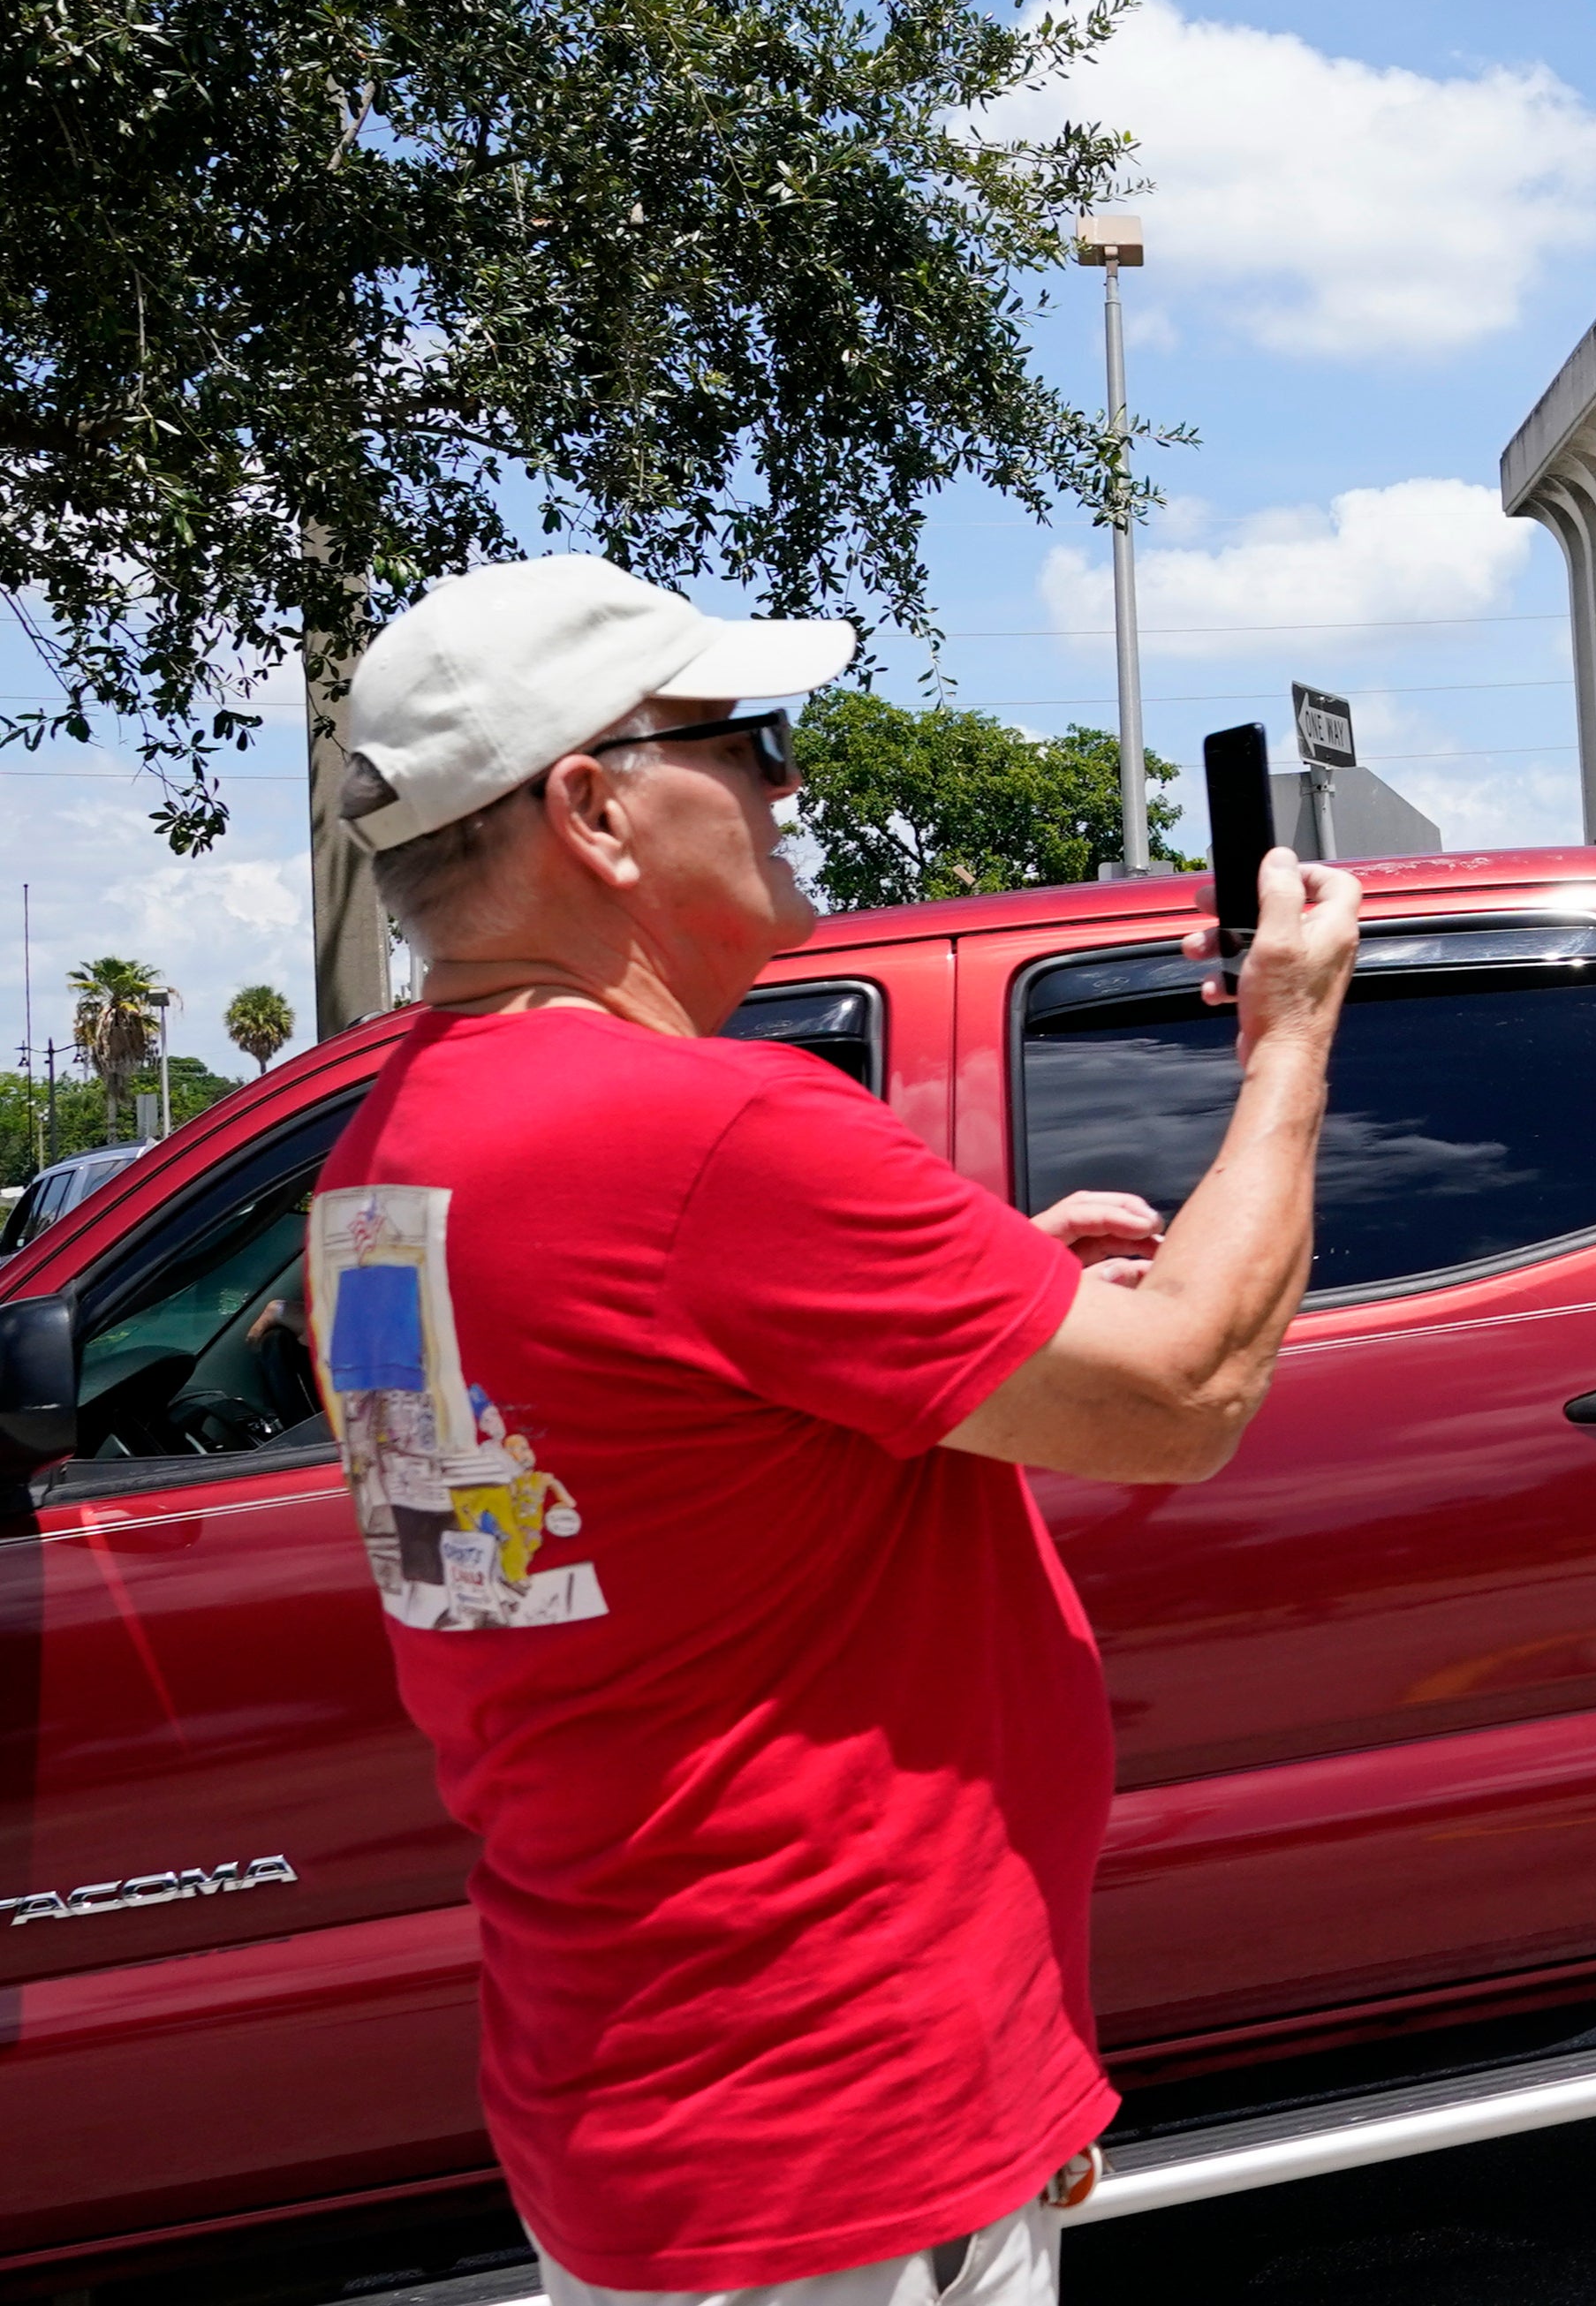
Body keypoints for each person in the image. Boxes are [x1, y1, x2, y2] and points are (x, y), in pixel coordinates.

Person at [308, 556, 1361, 2306]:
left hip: (645, 2104)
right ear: (593, 805)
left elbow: (588, 1477)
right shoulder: (700, 1131)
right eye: (749, 739)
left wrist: (970, 1299)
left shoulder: (383, 1160)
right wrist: (1291, 1036)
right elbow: (1185, 1393)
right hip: (835, 2131)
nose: (790, 788)